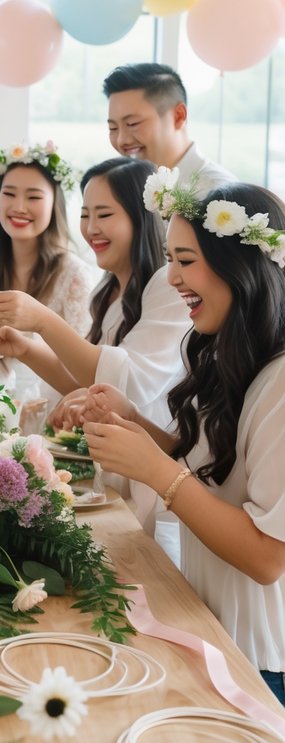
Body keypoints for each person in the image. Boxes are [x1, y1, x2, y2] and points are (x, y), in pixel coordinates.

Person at [83, 174, 285, 705]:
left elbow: (268, 556)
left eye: (186, 260)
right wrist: (135, 425)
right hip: (209, 625)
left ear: (240, 266)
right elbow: (207, 469)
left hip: (259, 662)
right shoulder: (226, 353)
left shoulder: (282, 381)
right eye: (169, 258)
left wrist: (154, 469)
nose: (171, 278)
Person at [0, 158, 190, 528]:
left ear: (140, 216)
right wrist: (23, 348)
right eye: (85, 215)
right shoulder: (109, 289)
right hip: (112, 476)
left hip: (155, 481)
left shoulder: (166, 284)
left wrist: (42, 320)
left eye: (104, 215)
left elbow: (126, 382)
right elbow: (89, 386)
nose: (91, 229)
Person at [0, 141, 94, 415]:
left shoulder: (74, 275)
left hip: (50, 419)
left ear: (55, 203)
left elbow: (83, 375)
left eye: (33, 197)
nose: (19, 206)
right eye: (9, 194)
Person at [104, 62, 234, 195]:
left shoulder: (220, 193)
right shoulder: (121, 187)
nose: (121, 141)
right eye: (113, 128)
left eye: (132, 123)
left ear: (178, 116)